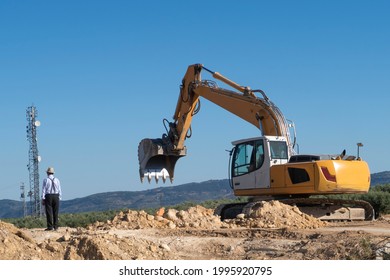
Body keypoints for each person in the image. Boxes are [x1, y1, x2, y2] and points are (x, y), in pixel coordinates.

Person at [42, 167, 62, 231]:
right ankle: (56, 226)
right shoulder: (57, 180)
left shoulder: (45, 180)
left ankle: (50, 227)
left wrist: (43, 198)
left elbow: (43, 190)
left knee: (49, 212)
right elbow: (59, 189)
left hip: (48, 196)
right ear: (53, 173)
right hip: (56, 196)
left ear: (47, 173)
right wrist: (59, 197)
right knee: (55, 212)